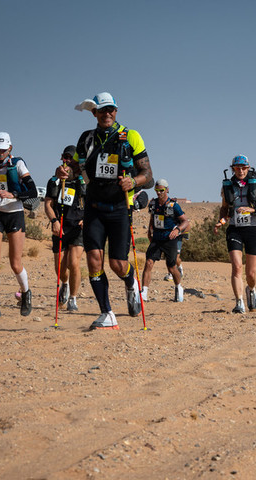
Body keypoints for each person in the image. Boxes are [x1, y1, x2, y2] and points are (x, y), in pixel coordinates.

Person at [71, 92, 154, 330]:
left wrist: (133, 181)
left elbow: (148, 175)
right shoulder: (86, 138)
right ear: (94, 113)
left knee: (118, 264)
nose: (107, 114)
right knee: (93, 260)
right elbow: (75, 167)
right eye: (102, 110)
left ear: (116, 112)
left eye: (111, 110)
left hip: (119, 208)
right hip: (93, 208)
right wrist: (65, 171)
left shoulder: (131, 136)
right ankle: (107, 313)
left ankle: (131, 282)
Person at [0, 132, 36, 318]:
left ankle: (26, 293)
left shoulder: (18, 164)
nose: (0, 152)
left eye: (3, 149)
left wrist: (14, 195)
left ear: (10, 148)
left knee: (15, 263)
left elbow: (33, 191)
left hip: (14, 214)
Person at [214, 155, 256, 313]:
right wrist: (221, 221)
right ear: (233, 169)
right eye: (237, 168)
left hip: (253, 229)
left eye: (243, 168)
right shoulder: (227, 186)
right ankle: (239, 302)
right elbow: (224, 208)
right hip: (234, 229)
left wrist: (253, 210)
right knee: (236, 266)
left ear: (248, 168)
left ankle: (251, 290)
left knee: (251, 274)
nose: (240, 171)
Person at [44, 145, 84, 312]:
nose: (65, 161)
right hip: (59, 227)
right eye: (64, 157)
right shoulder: (54, 181)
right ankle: (65, 284)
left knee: (73, 263)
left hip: (77, 227)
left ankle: (73, 299)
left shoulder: (83, 180)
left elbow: (92, 201)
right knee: (60, 268)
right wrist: (54, 221)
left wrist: (86, 218)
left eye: (69, 158)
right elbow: (48, 204)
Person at [141, 179, 190, 302]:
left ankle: (178, 287)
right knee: (149, 263)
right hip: (157, 238)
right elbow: (152, 218)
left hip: (170, 239)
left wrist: (178, 230)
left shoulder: (174, 205)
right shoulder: (153, 204)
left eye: (161, 190)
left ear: (167, 190)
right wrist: (149, 232)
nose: (159, 193)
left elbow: (185, 221)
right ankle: (144, 293)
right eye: (156, 190)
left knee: (171, 267)